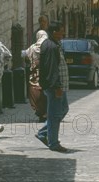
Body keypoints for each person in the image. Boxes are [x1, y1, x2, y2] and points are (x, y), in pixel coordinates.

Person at [37, 21, 69, 153]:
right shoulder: (50, 46)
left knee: (63, 109)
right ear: (54, 32)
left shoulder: (55, 44)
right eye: (61, 30)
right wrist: (56, 87)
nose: (63, 33)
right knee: (54, 115)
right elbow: (51, 69)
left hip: (60, 86)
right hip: (55, 86)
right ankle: (53, 143)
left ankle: (44, 133)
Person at [23, 30, 48, 121]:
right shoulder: (48, 46)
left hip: (34, 75)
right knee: (45, 93)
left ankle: (40, 111)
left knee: (35, 92)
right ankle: (45, 112)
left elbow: (25, 56)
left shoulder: (32, 48)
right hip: (46, 74)